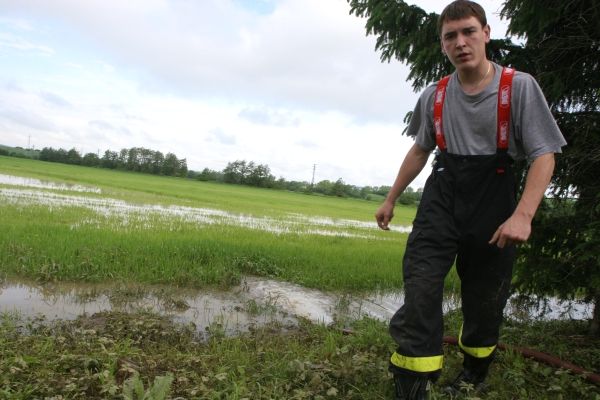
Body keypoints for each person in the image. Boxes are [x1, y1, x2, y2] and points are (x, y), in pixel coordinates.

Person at [374, 1, 567, 399]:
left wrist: (522, 216)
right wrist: (391, 199)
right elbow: (419, 150)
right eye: (450, 37)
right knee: (421, 280)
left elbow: (544, 153)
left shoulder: (519, 87)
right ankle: (413, 380)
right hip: (443, 193)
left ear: (485, 33)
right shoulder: (435, 95)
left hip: (494, 197)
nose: (460, 42)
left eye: (468, 32)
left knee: (484, 296)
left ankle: (474, 371)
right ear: (443, 45)